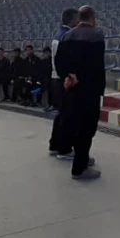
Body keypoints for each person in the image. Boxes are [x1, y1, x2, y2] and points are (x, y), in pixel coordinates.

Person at [55, 5, 105, 181]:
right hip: (89, 91)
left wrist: (69, 75)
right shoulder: (97, 35)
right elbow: (96, 66)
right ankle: (79, 168)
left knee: (76, 127)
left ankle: (81, 158)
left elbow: (59, 61)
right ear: (92, 18)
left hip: (72, 90)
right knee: (87, 130)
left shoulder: (68, 35)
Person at [48, 8, 80, 157]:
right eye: (77, 19)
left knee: (61, 114)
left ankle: (54, 144)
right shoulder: (67, 36)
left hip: (56, 79)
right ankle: (65, 149)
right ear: (72, 20)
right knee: (67, 115)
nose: (79, 22)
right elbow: (66, 62)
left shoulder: (58, 35)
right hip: (63, 80)